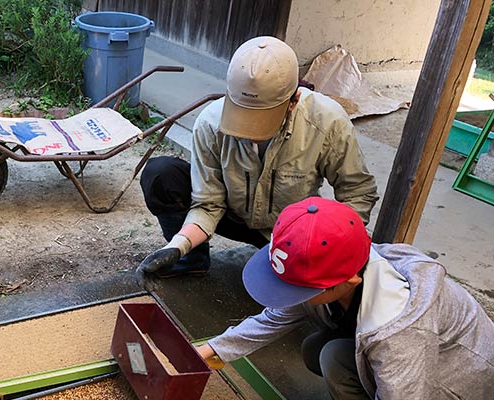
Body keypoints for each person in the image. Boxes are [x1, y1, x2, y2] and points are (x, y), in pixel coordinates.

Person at [197, 197, 494, 400]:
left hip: (453, 380)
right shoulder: (348, 262)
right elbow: (274, 316)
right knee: (317, 349)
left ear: (348, 281)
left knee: (333, 359)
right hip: (404, 359)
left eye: (300, 289)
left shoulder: (400, 327)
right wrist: (210, 351)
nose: (287, 295)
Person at [136, 36, 378, 286]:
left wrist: (331, 247)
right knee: (160, 173)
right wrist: (178, 246)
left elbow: (358, 193)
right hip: (230, 215)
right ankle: (192, 262)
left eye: (262, 118)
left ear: (293, 100)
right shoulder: (210, 123)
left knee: (351, 284)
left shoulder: (328, 122)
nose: (250, 131)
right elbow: (208, 204)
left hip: (290, 233)